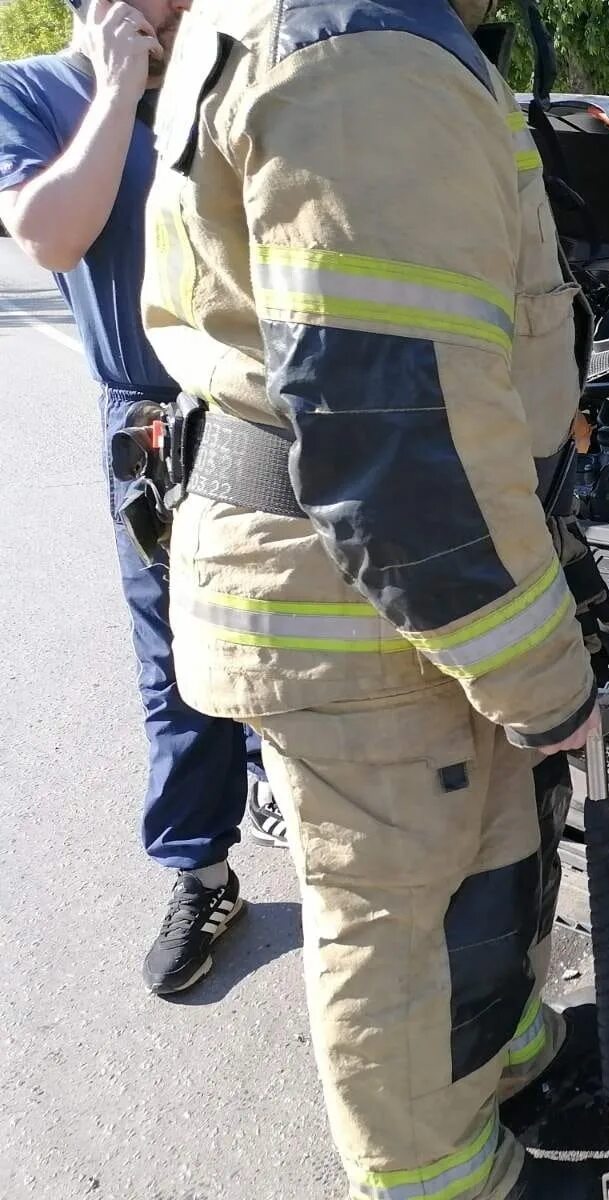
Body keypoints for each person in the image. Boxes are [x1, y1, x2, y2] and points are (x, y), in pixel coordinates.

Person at [140, 0, 609, 1194]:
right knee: (396, 909)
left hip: (385, 602)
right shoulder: (368, 62)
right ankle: (436, 1174)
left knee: (485, 838)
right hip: (364, 608)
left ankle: (491, 1056)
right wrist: (546, 681)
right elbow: (409, 455)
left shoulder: (339, 29)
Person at [0, 0, 288, 999]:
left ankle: (279, 778)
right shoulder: (36, 93)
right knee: (175, 657)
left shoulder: (214, 74)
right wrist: (117, 90)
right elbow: (48, 235)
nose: (174, 10)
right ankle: (199, 872)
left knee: (289, 621)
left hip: (256, 402)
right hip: (150, 421)